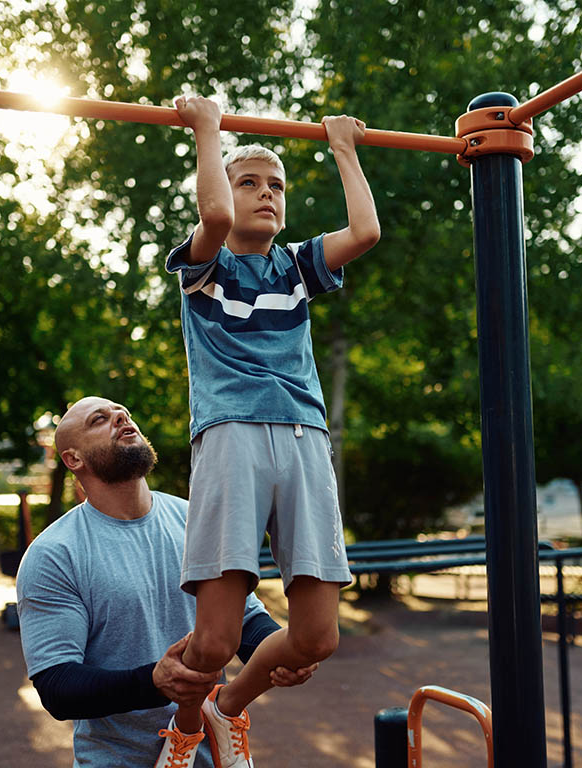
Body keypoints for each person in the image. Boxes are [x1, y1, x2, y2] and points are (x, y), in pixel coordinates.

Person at [162, 95, 380, 767]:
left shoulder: (295, 266)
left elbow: (365, 231)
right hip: (231, 434)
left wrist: (343, 146)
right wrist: (207, 129)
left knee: (318, 637)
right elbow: (214, 217)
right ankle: (185, 728)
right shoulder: (205, 268)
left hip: (305, 438)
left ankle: (227, 709)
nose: (266, 194)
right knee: (214, 641)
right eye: (249, 182)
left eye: (276, 186)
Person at [16, 396, 315, 768]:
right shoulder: (54, 554)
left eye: (123, 412)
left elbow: (245, 620)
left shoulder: (194, 521)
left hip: (215, 758)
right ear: (73, 459)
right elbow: (58, 687)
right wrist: (154, 681)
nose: (120, 417)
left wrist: (283, 654)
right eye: (99, 419)